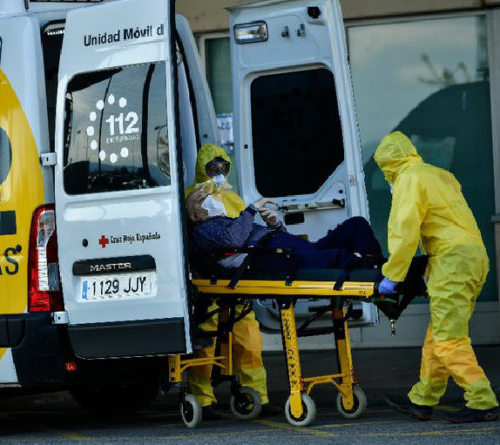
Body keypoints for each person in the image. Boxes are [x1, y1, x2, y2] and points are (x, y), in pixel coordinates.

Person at [375, 131, 498, 423]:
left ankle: (483, 401)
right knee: (439, 334)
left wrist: (392, 275)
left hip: (452, 261)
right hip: (472, 257)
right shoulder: (438, 174)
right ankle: (422, 399)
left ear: (388, 165)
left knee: (448, 339)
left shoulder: (408, 180)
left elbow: (405, 231)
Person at [184, 144, 277, 419]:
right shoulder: (194, 198)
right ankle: (202, 399)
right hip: (209, 280)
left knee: (249, 338)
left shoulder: (234, 198)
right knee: (206, 341)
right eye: (213, 168)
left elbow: (243, 233)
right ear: (203, 168)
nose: (219, 172)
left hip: (236, 279)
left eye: (223, 168)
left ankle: (256, 395)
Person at [185, 188, 383, 274]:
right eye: (202, 199)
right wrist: (252, 208)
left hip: (279, 245)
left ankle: (376, 262)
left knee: (356, 224)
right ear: (194, 215)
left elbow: (244, 234)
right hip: (269, 256)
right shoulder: (203, 229)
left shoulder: (223, 221)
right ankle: (375, 272)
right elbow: (233, 240)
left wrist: (274, 225)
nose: (211, 198)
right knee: (337, 256)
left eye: (208, 194)